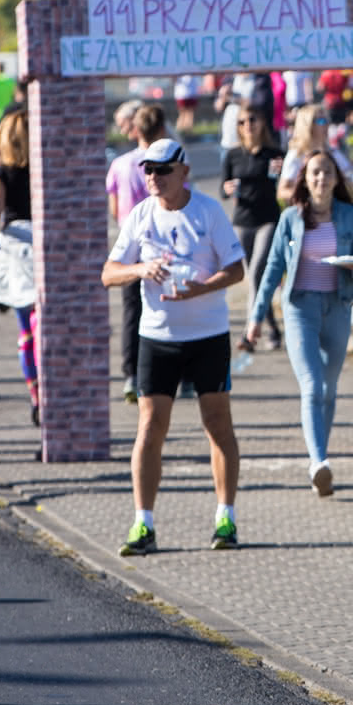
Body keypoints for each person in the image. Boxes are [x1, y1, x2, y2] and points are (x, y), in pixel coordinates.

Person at [101, 138, 247, 555]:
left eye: (163, 170)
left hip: (207, 334)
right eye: (148, 170)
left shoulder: (207, 211)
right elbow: (108, 273)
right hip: (158, 336)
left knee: (217, 423)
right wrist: (139, 268)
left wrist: (202, 288)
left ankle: (226, 517)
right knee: (150, 427)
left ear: (184, 172)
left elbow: (236, 268)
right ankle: (143, 524)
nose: (153, 178)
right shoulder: (140, 215)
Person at [245, 149, 353, 498]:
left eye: (327, 173)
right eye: (315, 172)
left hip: (338, 305)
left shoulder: (349, 216)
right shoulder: (290, 218)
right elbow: (272, 270)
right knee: (312, 386)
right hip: (300, 308)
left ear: (336, 178)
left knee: (330, 388)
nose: (321, 179)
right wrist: (256, 319)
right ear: (305, 178)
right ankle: (318, 461)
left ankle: (321, 456)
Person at [0, 109, 40, 419]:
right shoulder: (43, 168)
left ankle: (35, 393)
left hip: (17, 245)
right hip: (43, 242)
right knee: (42, 323)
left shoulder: (0, 174)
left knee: (25, 331)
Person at [108, 103, 169, 402]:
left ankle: (131, 373)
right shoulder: (170, 162)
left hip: (130, 242)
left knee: (132, 310)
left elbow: (113, 207)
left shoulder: (120, 164)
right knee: (166, 304)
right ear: (161, 130)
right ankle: (174, 372)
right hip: (163, 241)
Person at [222, 108, 285, 350]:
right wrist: (227, 190)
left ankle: (250, 333)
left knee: (258, 271)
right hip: (242, 220)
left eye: (252, 119)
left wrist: (279, 173)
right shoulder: (232, 155)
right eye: (242, 121)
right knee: (256, 279)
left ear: (261, 123)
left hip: (268, 219)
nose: (248, 125)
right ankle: (273, 330)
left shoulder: (274, 153)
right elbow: (222, 189)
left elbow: (284, 184)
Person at [277, 104, 353, 206]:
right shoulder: (296, 155)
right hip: (307, 216)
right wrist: (313, 197)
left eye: (327, 120)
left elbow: (352, 180)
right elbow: (282, 192)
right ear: (308, 125)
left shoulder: (334, 152)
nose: (326, 125)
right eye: (321, 121)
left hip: (335, 213)